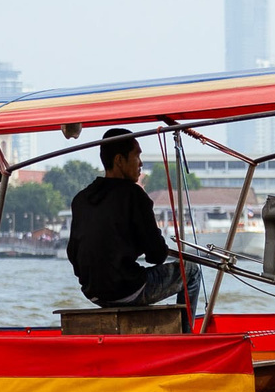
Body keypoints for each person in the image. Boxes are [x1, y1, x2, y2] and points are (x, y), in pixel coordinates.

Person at [66, 129, 198, 309]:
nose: (141, 163)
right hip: (126, 289)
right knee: (192, 271)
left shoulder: (81, 199)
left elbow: (73, 255)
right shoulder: (135, 195)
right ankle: (186, 334)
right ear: (119, 160)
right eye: (137, 156)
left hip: (92, 293)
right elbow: (157, 255)